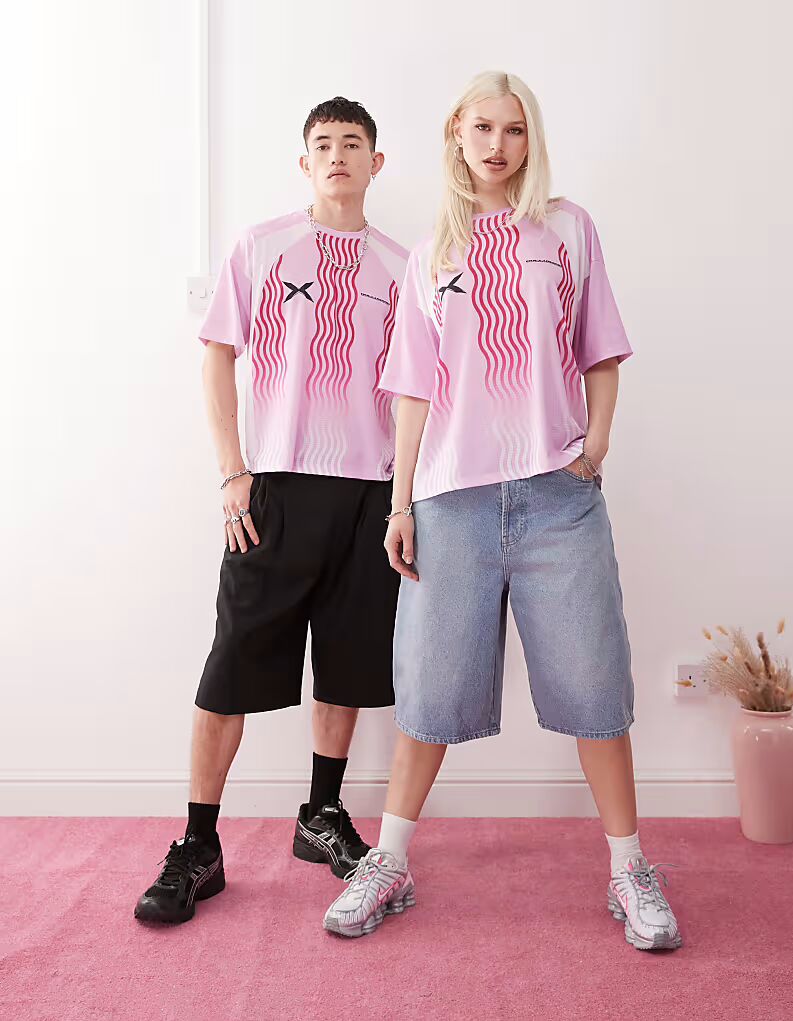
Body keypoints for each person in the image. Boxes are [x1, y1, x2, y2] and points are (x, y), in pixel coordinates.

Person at [322, 71, 682, 952]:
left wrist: (594, 449)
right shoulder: (430, 252)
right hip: (451, 500)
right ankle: (390, 860)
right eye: (482, 127)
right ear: (457, 130)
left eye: (514, 130)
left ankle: (630, 867)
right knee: (429, 690)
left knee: (597, 685)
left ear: (531, 139)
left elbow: (601, 352)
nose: (497, 145)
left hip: (560, 496)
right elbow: (412, 389)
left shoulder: (568, 229)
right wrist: (401, 503)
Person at [135, 97, 408, 925]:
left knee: (348, 664)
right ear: (304, 162)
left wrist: (404, 498)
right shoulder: (260, 247)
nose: (337, 156)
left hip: (369, 492)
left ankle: (322, 813)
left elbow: (413, 391)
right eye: (323, 144)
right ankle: (198, 844)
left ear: (376, 163)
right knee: (232, 666)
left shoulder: (402, 266)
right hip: (274, 491)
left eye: (352, 143)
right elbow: (218, 356)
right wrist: (233, 472)